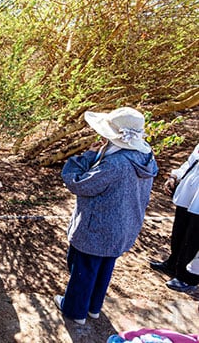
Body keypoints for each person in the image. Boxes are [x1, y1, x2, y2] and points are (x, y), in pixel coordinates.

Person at [55, 107, 158, 325]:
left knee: (83, 268)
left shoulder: (115, 163)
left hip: (97, 226)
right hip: (123, 226)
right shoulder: (145, 156)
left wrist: (87, 157)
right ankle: (93, 307)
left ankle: (75, 311)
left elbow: (78, 183)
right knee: (104, 268)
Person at [150, 142, 199, 293]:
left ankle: (189, 278)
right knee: (180, 232)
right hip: (189, 193)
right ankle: (173, 264)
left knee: (194, 239)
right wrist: (174, 176)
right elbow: (191, 162)